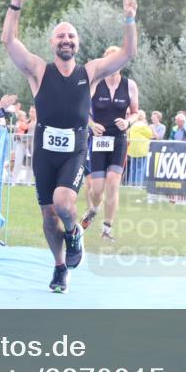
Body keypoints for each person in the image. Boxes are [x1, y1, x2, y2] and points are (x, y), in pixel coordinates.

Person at [2, 0, 137, 293]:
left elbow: (127, 54)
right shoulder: (38, 70)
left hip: (75, 149)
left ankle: (75, 233)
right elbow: (9, 41)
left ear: (77, 44)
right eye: (61, 36)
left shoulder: (89, 72)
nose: (66, 40)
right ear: (52, 43)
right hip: (44, 153)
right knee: (49, 216)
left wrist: (129, 19)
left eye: (71, 36)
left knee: (64, 202)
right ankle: (60, 267)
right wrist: (15, 4)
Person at [81, 46, 139, 242]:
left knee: (113, 183)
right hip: (99, 139)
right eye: (109, 60)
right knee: (97, 189)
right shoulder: (95, 83)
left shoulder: (130, 85)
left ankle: (107, 229)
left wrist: (128, 122)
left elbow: (137, 113)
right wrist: (91, 124)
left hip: (119, 139)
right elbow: (80, 109)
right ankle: (93, 208)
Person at [126, 110, 155, 188]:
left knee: (133, 169)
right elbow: (151, 135)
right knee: (140, 169)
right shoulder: (143, 125)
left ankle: (130, 184)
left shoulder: (132, 126)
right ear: (143, 117)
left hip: (132, 151)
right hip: (142, 150)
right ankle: (138, 185)